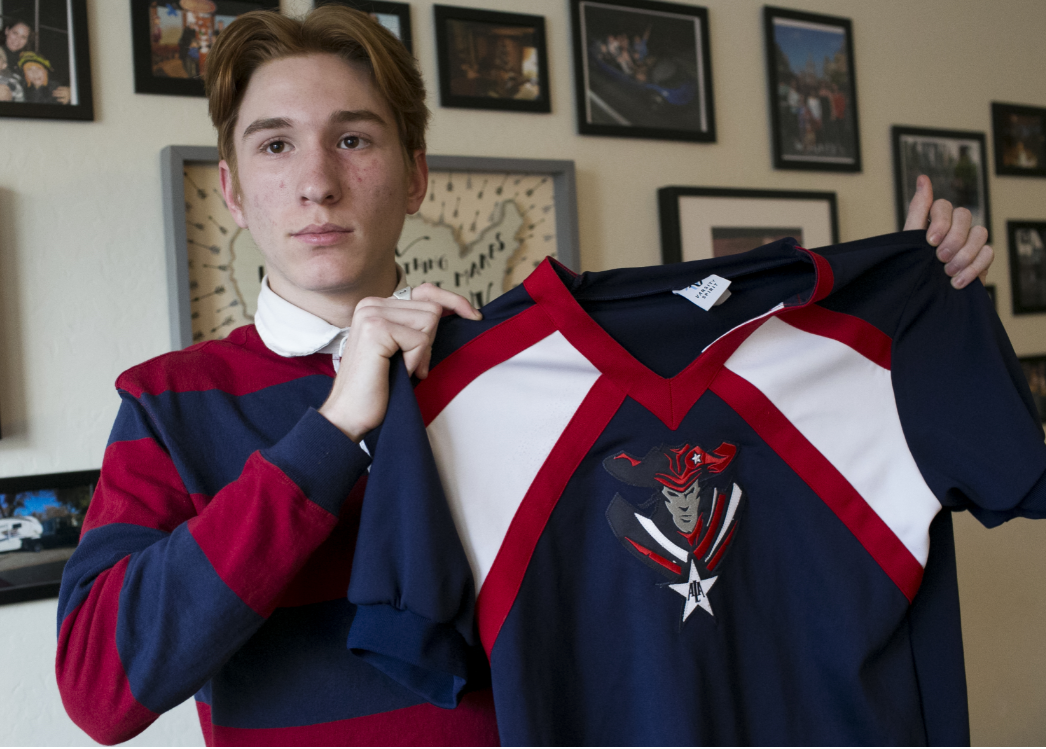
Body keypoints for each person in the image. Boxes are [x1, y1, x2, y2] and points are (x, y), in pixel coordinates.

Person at [54, 5, 993, 747]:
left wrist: (916, 291)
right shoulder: (168, 404)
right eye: (274, 144)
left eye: (353, 139)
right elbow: (102, 689)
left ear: (414, 174)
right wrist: (332, 434)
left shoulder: (520, 371)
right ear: (231, 187)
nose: (316, 182)